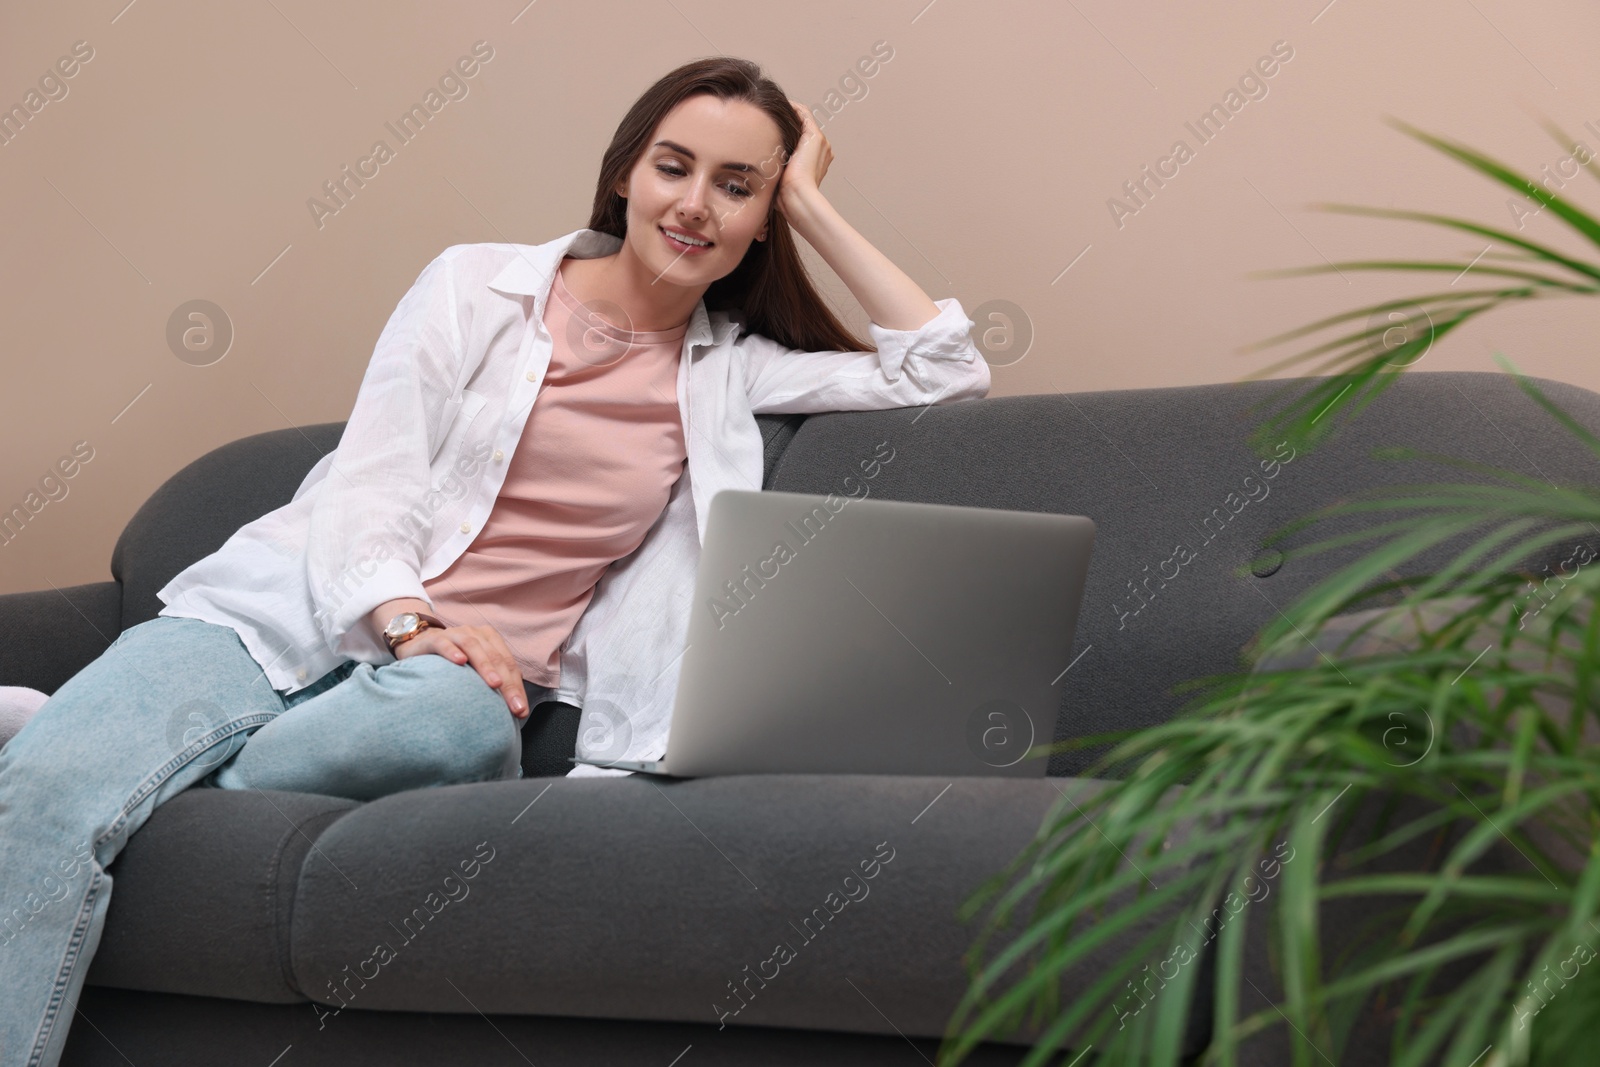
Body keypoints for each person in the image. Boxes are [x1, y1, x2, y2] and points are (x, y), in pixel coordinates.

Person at [0, 55, 990, 1066]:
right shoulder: (477, 284)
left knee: (448, 714)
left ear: (762, 213)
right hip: (274, 619)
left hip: (457, 688)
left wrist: (811, 201)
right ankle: (84, 749)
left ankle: (95, 738)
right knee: (39, 801)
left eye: (737, 186)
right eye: (673, 166)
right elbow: (371, 478)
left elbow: (946, 368)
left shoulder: (733, 369)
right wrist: (408, 619)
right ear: (623, 174)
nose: (694, 205)